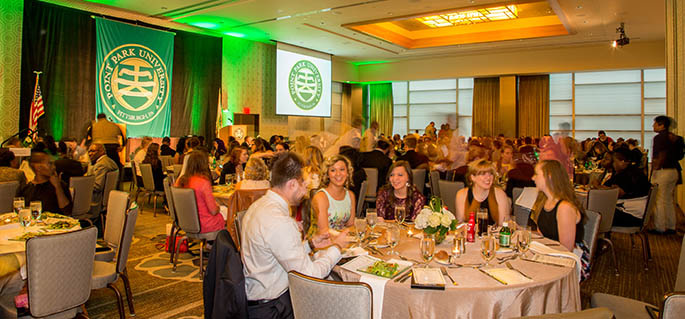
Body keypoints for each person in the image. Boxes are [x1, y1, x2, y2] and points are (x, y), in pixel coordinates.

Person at [241, 152, 350, 318]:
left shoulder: (259, 205)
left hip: (257, 295)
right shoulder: (280, 221)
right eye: (304, 184)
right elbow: (309, 276)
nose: (306, 191)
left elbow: (277, 252)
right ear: (292, 184)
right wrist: (337, 247)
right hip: (273, 307)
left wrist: (310, 245)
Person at [530, 160, 585, 252]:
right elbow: (543, 235)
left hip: (571, 258)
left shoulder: (564, 207)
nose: (533, 178)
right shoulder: (544, 201)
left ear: (549, 176)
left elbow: (566, 249)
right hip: (551, 251)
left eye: (536, 174)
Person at [599, 147, 651, 227]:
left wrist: (598, 187)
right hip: (635, 212)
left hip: (632, 215)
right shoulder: (631, 171)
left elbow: (615, 193)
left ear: (622, 162)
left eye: (614, 162)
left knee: (595, 213)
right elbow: (609, 186)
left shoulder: (629, 175)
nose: (613, 165)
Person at [175, 151, 224, 233]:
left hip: (185, 222)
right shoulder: (203, 182)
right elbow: (213, 210)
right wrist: (218, 207)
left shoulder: (180, 181)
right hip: (206, 224)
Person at [309, 155, 357, 237]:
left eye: (342, 169)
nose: (338, 174)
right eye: (333, 170)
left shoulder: (350, 195)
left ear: (348, 173)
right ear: (327, 174)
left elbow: (350, 225)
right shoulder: (321, 197)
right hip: (320, 244)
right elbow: (324, 231)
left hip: (341, 241)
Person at [455, 159, 511, 225]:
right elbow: (459, 224)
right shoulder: (462, 194)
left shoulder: (500, 194)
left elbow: (503, 224)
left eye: (491, 174)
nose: (488, 178)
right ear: (473, 177)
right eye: (483, 174)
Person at [651, 115, 682, 233]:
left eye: (655, 124)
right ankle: (671, 226)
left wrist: (656, 167)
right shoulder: (676, 138)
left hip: (663, 171)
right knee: (669, 199)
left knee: (658, 199)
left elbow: (661, 154)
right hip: (674, 171)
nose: (653, 126)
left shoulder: (659, 138)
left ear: (661, 125)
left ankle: (660, 227)